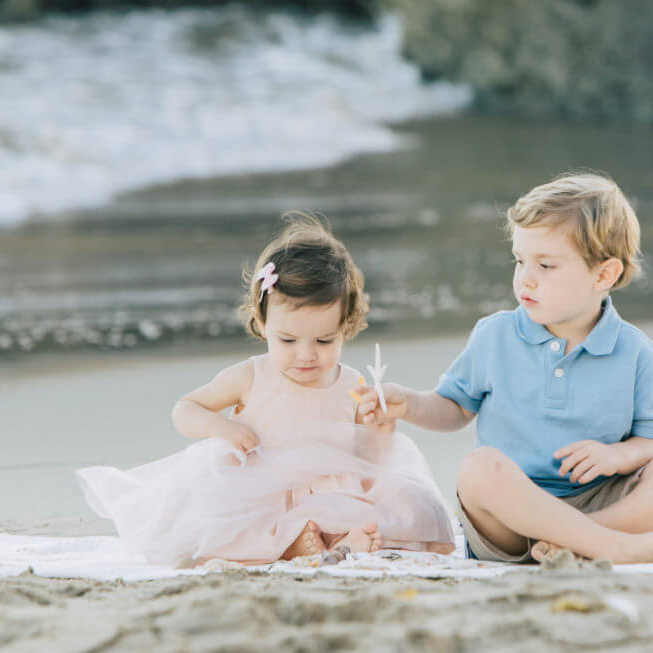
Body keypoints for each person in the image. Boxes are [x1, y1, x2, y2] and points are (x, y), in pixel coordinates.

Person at [357, 172, 653, 565]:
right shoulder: (495, 335)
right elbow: (453, 408)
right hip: (511, 520)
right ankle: (611, 546)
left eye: (546, 265)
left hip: (601, 501)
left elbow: (651, 441)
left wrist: (615, 457)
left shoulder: (636, 352)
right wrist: (408, 404)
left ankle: (579, 540)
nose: (526, 279)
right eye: (520, 261)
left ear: (604, 274)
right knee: (478, 469)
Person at [77, 212, 455, 566]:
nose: (306, 355)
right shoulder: (250, 377)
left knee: (410, 500)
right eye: (288, 340)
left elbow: (367, 459)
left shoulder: (352, 384)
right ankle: (293, 543)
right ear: (261, 322)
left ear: (346, 326)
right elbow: (186, 408)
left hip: (331, 494)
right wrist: (221, 428)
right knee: (214, 512)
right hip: (261, 494)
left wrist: (381, 429)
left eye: (325, 341)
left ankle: (337, 543)